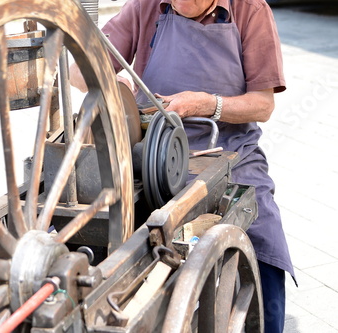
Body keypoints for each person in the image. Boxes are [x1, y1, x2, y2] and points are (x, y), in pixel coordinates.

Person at [70, 0, 295, 331]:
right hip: (152, 154)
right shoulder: (146, 7)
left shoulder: (250, 10)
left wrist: (206, 104)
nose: (178, 3)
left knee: (264, 240)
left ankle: (267, 323)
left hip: (230, 150)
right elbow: (80, 69)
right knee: (101, 230)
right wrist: (112, 79)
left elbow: (263, 105)